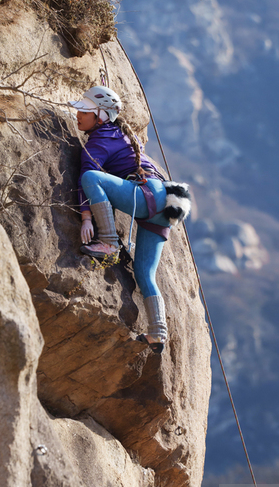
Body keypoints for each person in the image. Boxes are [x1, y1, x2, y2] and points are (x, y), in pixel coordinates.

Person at [69, 85, 191, 354]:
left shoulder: (101, 138)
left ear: (101, 116)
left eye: (85, 110)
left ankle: (110, 244)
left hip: (148, 194)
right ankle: (158, 333)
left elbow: (87, 176)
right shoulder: (119, 134)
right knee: (145, 273)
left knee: (91, 177)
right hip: (163, 202)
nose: (78, 113)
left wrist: (87, 216)